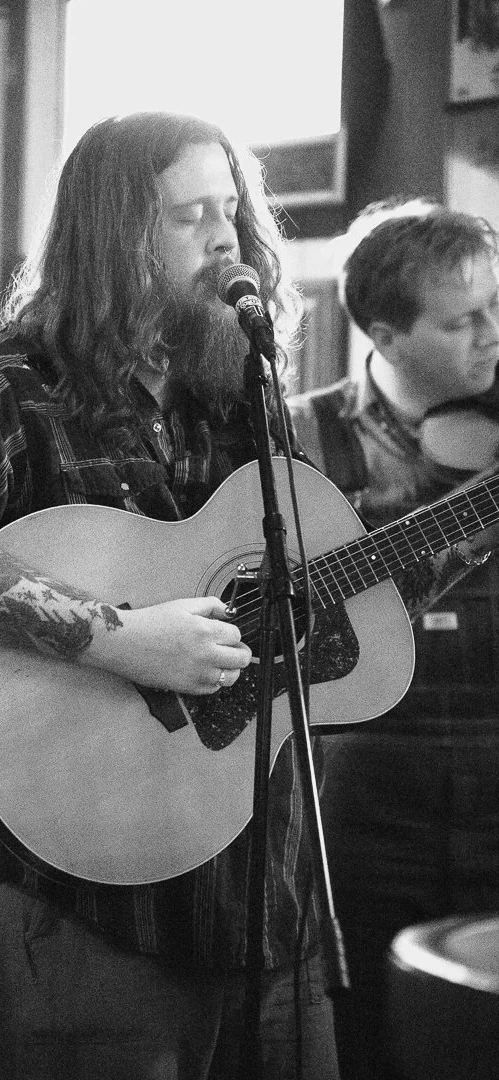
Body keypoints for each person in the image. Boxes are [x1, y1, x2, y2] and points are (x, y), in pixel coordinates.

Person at [0, 115, 497, 1080]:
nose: (227, 238)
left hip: (271, 897)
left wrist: (469, 519)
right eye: (191, 216)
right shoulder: (14, 385)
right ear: (113, 237)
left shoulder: (241, 391)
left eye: (231, 210)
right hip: (94, 909)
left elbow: (338, 598)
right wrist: (116, 637)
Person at [288, 202, 499, 1079]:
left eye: (496, 305)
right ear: (384, 332)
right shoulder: (298, 438)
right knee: (363, 1030)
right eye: (463, 321)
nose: (493, 335)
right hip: (361, 784)